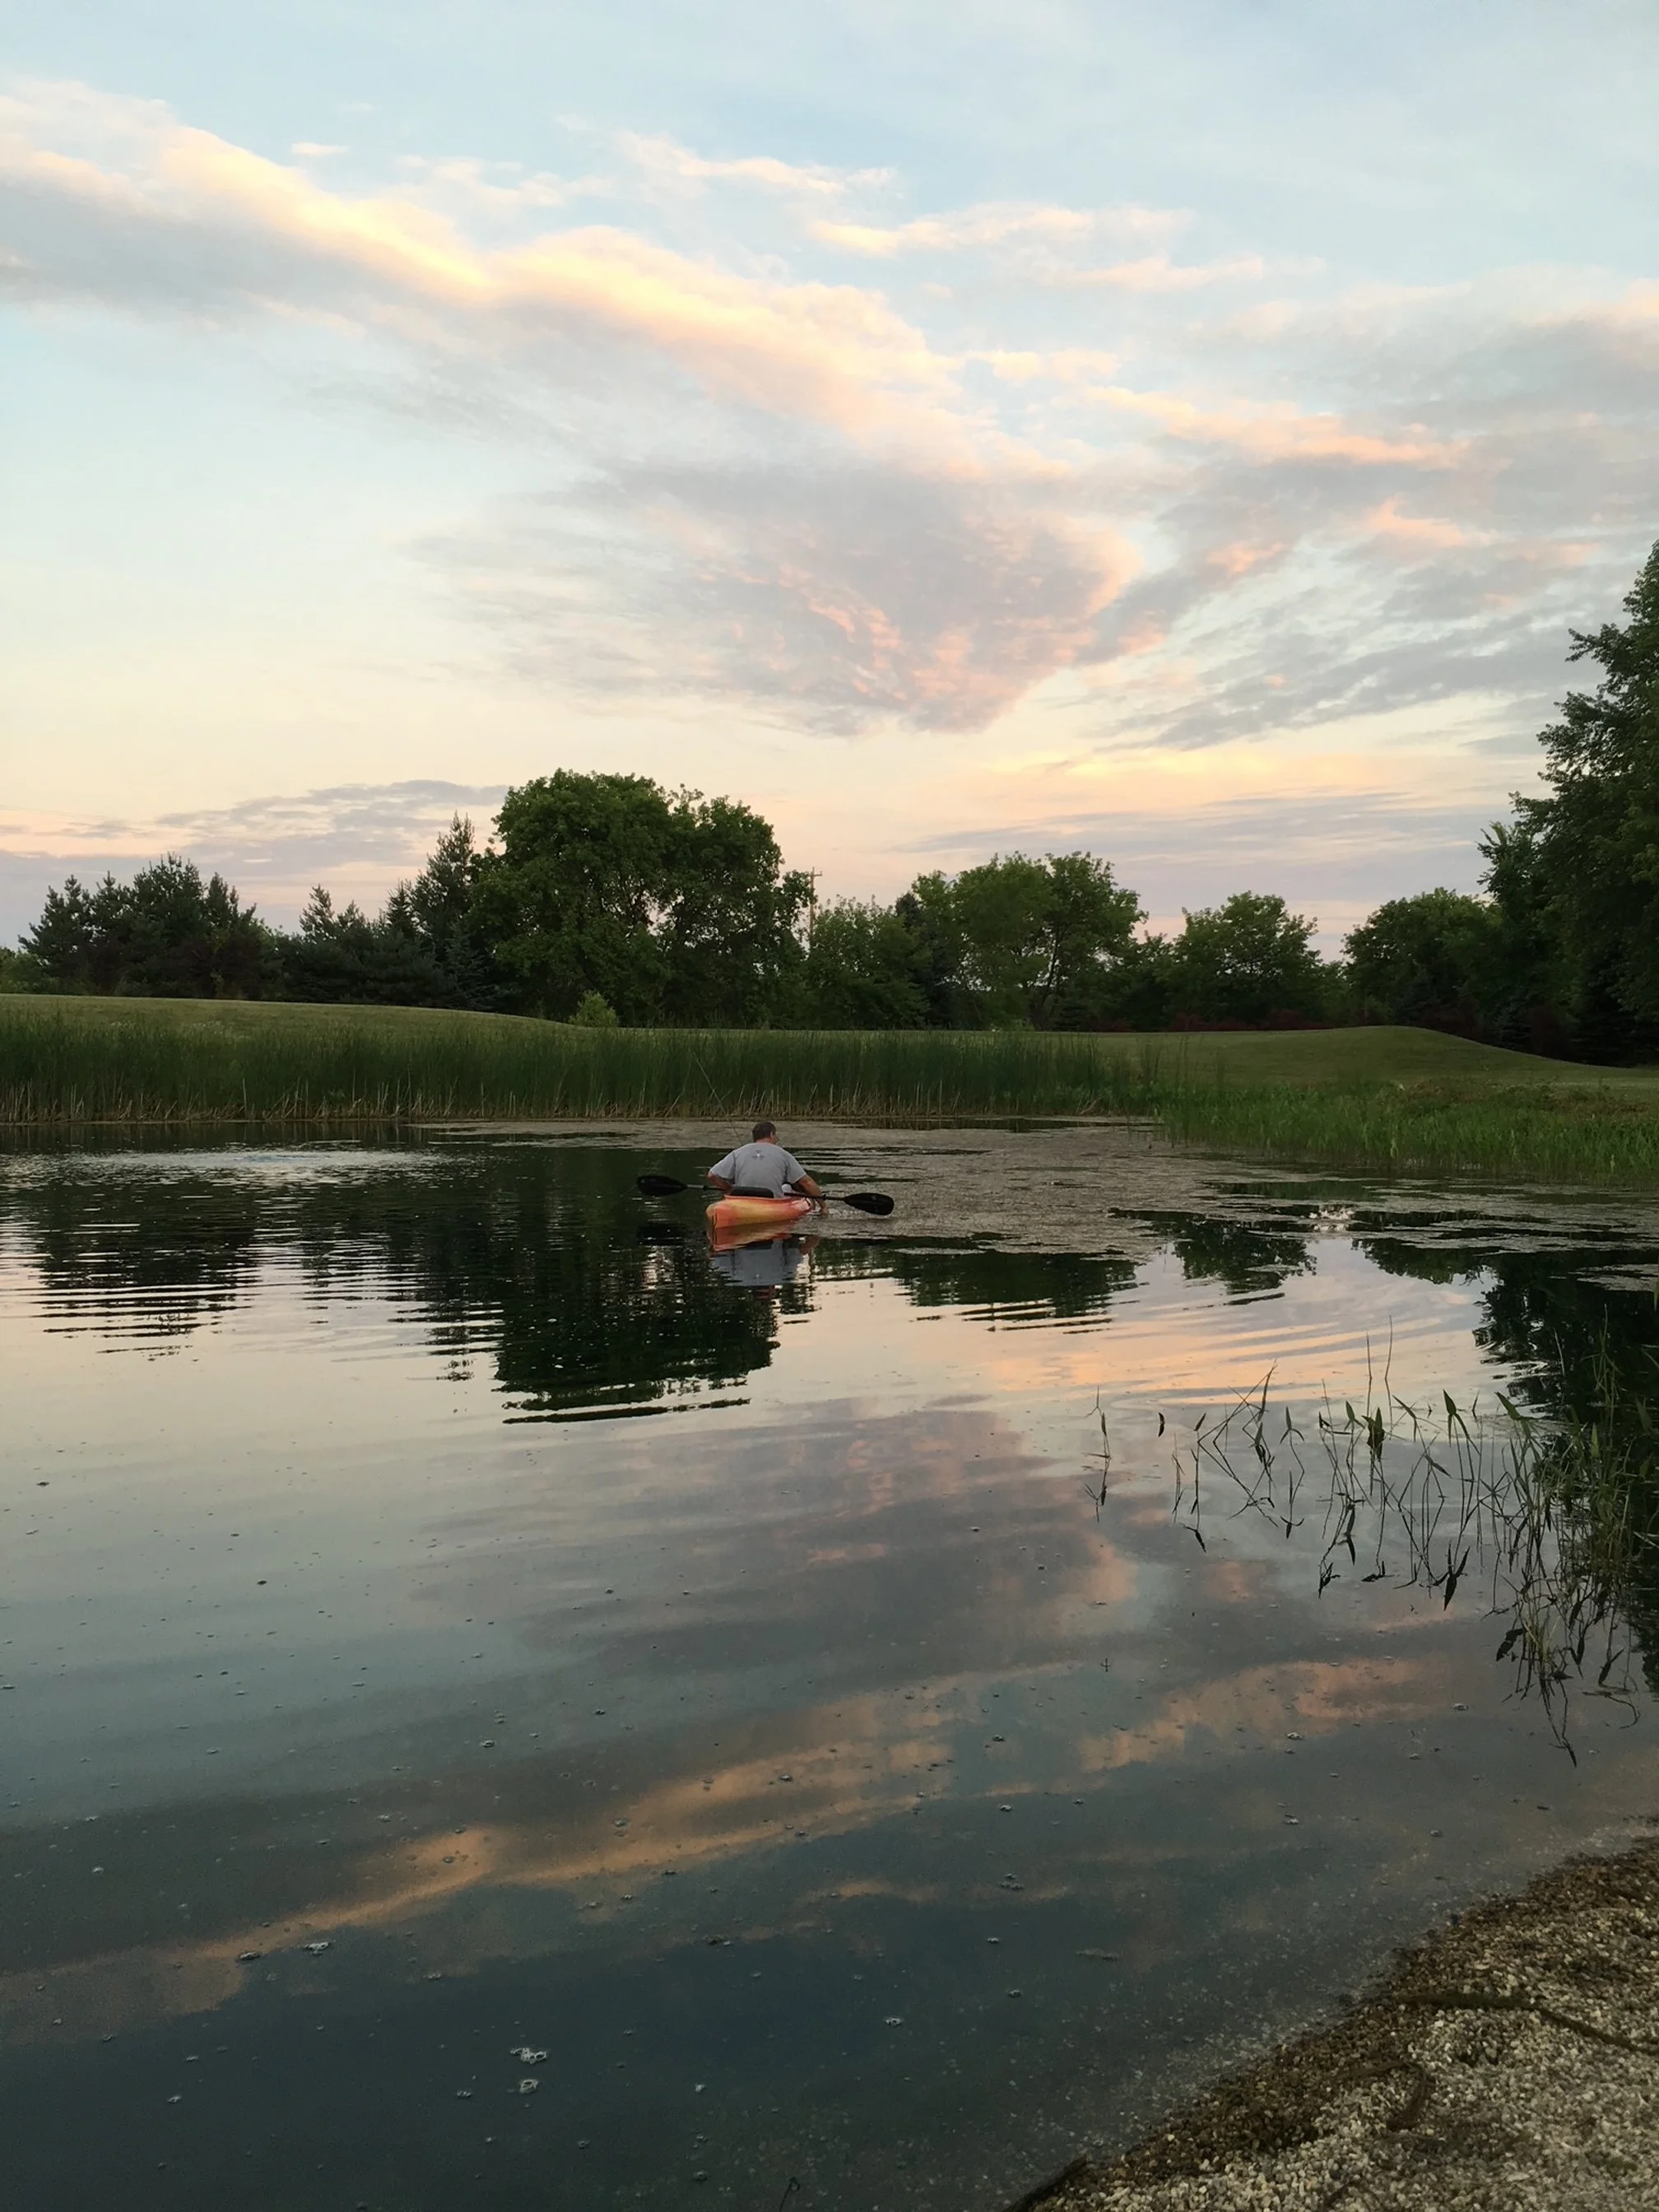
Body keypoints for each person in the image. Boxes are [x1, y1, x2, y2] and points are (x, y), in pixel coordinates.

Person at [706, 1120, 827, 1211]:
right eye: (775, 1137)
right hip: (771, 1204)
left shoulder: (737, 1153)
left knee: (785, 1188)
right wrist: (823, 1206)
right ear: (771, 1135)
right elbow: (806, 1182)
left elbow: (712, 1175)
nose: (776, 1140)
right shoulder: (783, 1154)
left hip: (741, 1202)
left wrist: (729, 1189)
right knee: (787, 1188)